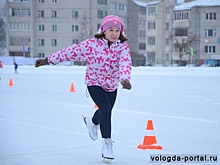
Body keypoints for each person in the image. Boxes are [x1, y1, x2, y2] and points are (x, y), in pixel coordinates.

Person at [35, 15, 132, 160]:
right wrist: (48, 60)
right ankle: (107, 144)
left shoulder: (122, 48)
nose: (114, 33)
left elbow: (125, 63)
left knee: (106, 110)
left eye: (117, 30)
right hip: (94, 83)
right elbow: (69, 52)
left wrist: (124, 79)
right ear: (104, 31)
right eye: (111, 29)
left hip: (112, 85)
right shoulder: (91, 45)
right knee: (106, 110)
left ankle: (92, 122)